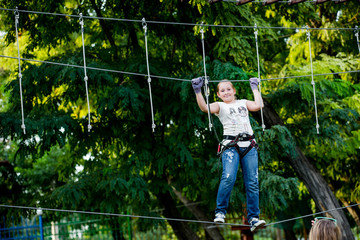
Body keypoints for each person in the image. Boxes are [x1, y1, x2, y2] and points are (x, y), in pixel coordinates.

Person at [191, 77, 266, 232]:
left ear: (234, 91)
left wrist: (254, 87)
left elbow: (258, 105)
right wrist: (198, 91)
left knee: (252, 182)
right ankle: (220, 212)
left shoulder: (243, 103)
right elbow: (204, 108)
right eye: (222, 91)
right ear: (218, 94)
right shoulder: (219, 106)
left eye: (228, 89)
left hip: (249, 145)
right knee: (228, 177)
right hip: (231, 146)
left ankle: (253, 218)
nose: (226, 92)